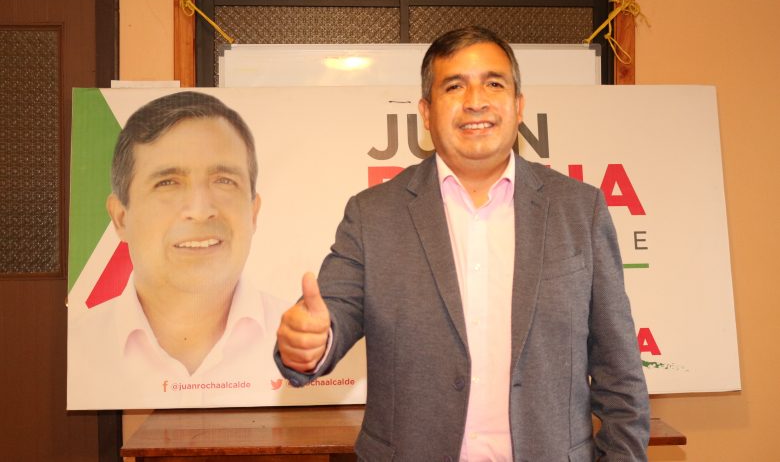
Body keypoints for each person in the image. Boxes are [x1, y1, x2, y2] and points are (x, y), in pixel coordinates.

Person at [275, 27, 650, 461]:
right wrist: (309, 344)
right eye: (454, 86)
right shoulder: (373, 215)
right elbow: (331, 315)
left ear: (519, 105)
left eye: (494, 84)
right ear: (426, 111)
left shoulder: (580, 211)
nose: (476, 101)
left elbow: (620, 375)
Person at [68, 91, 288, 409]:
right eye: (168, 182)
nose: (200, 211)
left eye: (224, 180)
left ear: (253, 213)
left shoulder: (315, 347)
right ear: (120, 218)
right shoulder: (77, 351)